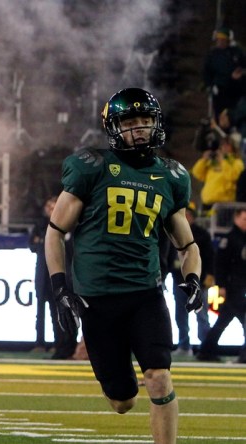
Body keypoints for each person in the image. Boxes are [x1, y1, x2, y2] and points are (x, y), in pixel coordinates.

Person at [45, 87, 202, 444]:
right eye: (131, 122)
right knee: (123, 401)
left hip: (145, 295)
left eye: (146, 120)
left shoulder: (170, 176)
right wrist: (59, 288)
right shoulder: (92, 167)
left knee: (159, 377)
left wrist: (192, 278)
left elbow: (187, 244)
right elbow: (54, 233)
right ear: (114, 127)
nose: (141, 128)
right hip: (97, 300)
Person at [29, 195, 77, 358]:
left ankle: (68, 347)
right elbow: (32, 244)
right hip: (45, 277)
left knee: (66, 312)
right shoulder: (41, 225)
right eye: (48, 207)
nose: (50, 210)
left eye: (53, 207)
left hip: (66, 276)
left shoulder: (71, 224)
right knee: (51, 312)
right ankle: (54, 346)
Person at [196, 206, 246, 363]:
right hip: (233, 286)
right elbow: (221, 264)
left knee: (223, 321)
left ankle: (206, 351)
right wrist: (222, 286)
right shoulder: (230, 239)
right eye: (245, 219)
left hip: (240, 286)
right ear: (236, 218)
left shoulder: (241, 238)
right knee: (240, 319)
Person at [167, 203, 214, 356]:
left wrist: (209, 275)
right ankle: (184, 344)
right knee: (180, 314)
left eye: (188, 214)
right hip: (178, 279)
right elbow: (167, 256)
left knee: (201, 314)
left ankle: (205, 346)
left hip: (197, 280)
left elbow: (210, 257)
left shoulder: (202, 234)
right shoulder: (171, 233)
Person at [191, 132, 244, 212]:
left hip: (225, 205)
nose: (224, 147)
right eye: (223, 145)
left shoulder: (237, 162)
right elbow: (197, 173)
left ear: (234, 147)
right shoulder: (213, 161)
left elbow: (233, 176)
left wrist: (223, 161)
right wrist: (203, 160)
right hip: (207, 202)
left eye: (227, 145)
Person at [203, 27, 246, 123]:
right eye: (219, 40)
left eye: (223, 40)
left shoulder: (237, 52)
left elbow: (243, 67)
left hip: (237, 89)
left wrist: (241, 74)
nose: (221, 42)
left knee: (236, 113)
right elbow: (207, 72)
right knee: (220, 113)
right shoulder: (213, 54)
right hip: (220, 89)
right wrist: (209, 86)